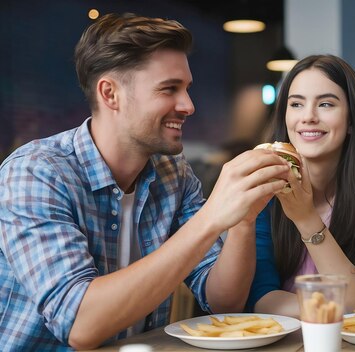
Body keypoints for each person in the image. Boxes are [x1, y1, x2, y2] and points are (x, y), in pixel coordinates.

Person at [0, 13, 291, 350]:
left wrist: (242, 218)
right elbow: (80, 324)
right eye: (169, 89)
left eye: (187, 89)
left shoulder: (173, 173)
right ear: (110, 94)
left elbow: (223, 302)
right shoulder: (36, 173)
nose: (189, 105)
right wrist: (212, 217)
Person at [244, 55, 355, 317]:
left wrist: (305, 217)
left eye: (326, 104)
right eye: (296, 104)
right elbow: (260, 297)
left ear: (352, 120)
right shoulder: (265, 181)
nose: (308, 117)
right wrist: (334, 308)